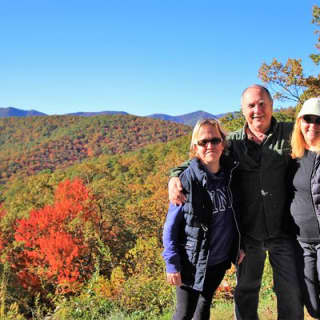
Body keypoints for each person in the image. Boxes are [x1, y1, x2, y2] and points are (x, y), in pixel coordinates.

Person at [168, 85, 304, 319]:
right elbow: (201, 158)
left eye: (262, 103)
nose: (257, 110)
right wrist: (174, 176)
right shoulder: (233, 143)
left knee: (291, 292)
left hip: (284, 231)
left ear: (272, 105)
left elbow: (313, 141)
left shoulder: (289, 133)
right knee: (246, 292)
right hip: (248, 234)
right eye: (251, 105)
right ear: (243, 110)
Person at [162, 119, 244, 320]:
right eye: (203, 142)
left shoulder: (232, 175)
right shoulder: (186, 181)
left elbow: (237, 216)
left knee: (204, 306)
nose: (210, 146)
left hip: (218, 260)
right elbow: (170, 227)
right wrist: (171, 263)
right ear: (195, 147)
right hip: (192, 261)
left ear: (223, 143)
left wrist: (240, 246)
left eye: (215, 140)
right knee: (184, 313)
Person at [288, 97, 320, 319]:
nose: (313, 125)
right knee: (313, 305)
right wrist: (178, 176)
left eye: (319, 120)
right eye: (308, 119)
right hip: (301, 243)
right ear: (299, 122)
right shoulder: (290, 155)